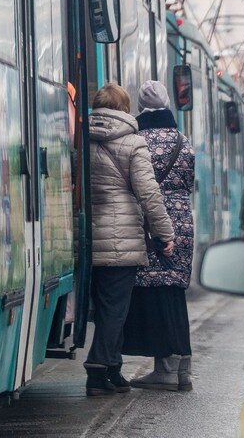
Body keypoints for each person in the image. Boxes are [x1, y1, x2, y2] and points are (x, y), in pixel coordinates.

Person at [85, 84, 175, 396]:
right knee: (115, 308)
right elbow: (149, 193)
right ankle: (98, 369)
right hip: (120, 237)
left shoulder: (79, 137)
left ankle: (112, 369)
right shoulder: (133, 143)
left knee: (104, 306)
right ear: (124, 108)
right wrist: (165, 233)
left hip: (85, 236)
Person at [122, 80, 196, 392]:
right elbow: (189, 182)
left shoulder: (137, 140)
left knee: (154, 293)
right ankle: (180, 369)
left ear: (141, 107)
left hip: (150, 222)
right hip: (181, 223)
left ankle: (164, 368)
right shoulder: (183, 141)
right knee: (174, 292)